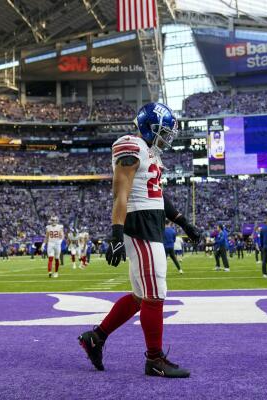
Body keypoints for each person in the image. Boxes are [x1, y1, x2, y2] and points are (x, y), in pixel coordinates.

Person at [78, 102, 200, 378]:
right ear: (148, 127)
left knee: (140, 297)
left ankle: (95, 338)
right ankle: (154, 359)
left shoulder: (150, 153)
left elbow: (157, 195)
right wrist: (115, 234)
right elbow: (121, 193)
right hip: (139, 225)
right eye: (162, 130)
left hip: (151, 223)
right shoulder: (130, 145)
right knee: (155, 294)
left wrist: (184, 222)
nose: (166, 136)